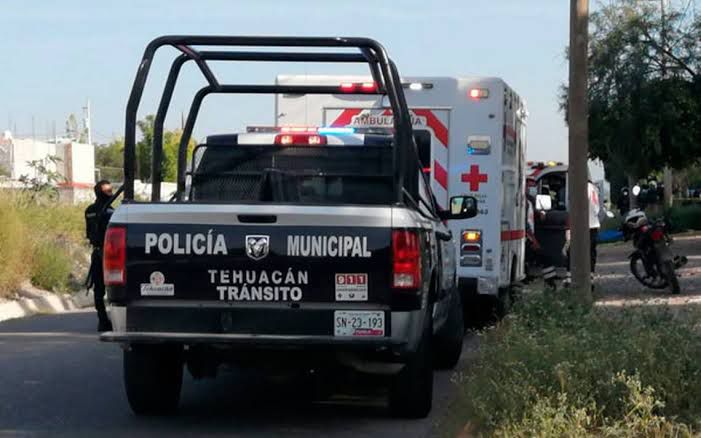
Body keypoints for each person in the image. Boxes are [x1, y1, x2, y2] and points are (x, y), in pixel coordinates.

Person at [85, 180, 114, 332]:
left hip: (96, 253)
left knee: (98, 289)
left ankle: (102, 320)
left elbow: (88, 234)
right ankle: (108, 321)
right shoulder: (111, 213)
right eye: (108, 191)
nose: (111, 194)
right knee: (114, 287)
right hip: (109, 255)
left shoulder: (89, 210)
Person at [588, 180, 601, 273]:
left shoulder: (582, 187)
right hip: (594, 223)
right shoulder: (593, 188)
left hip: (585, 224)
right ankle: (591, 273)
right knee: (592, 252)